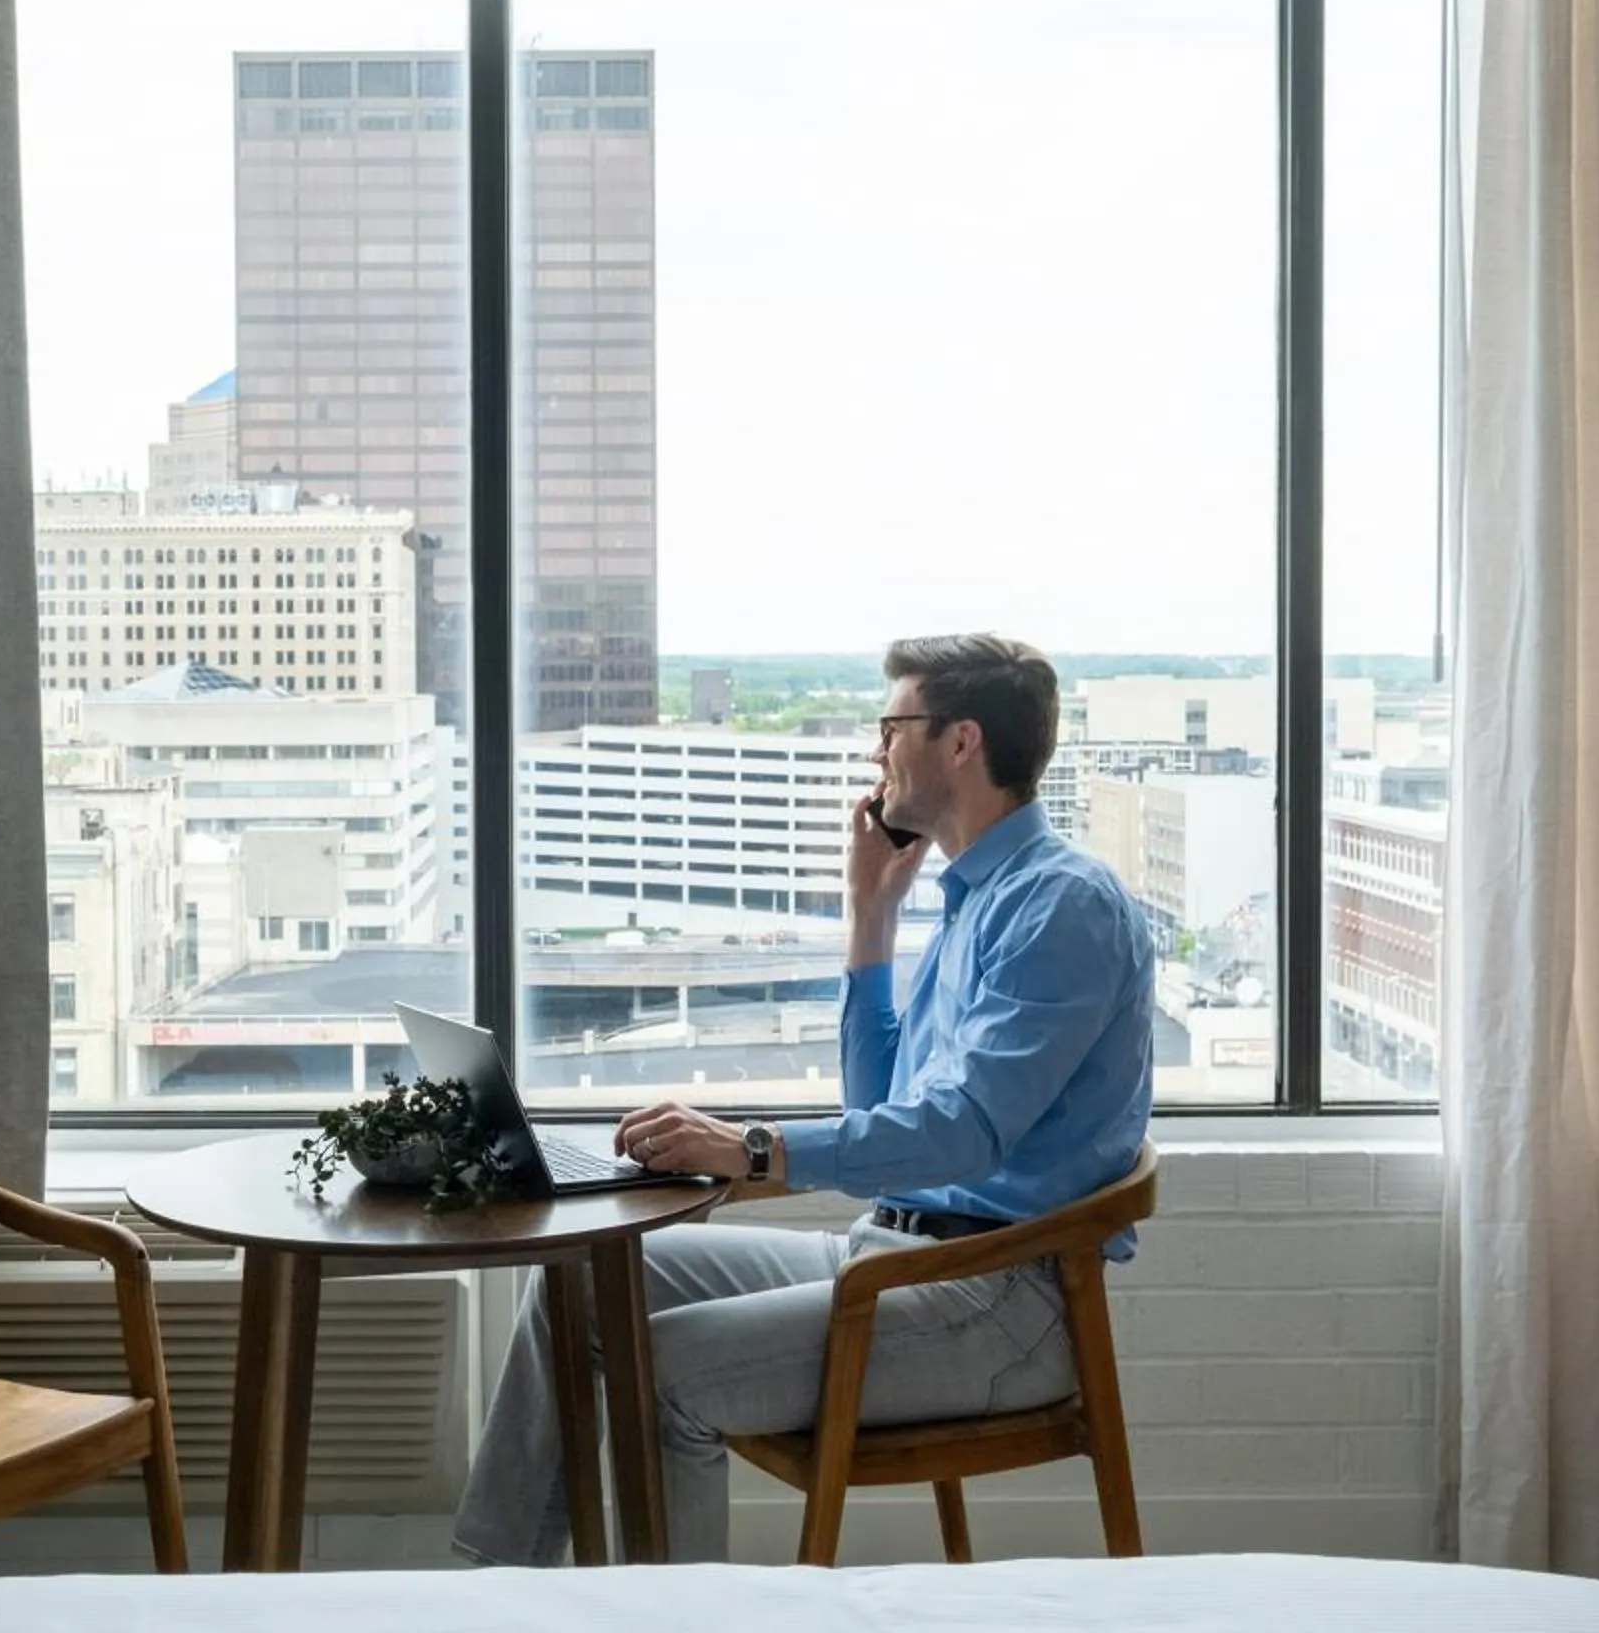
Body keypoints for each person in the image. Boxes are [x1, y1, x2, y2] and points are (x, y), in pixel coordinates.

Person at [451, 633, 1156, 1566]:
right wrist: (871, 916)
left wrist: (747, 1146)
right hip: (894, 1253)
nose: (875, 751)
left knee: (657, 1371)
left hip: (999, 1302)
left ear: (961, 743)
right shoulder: (977, 898)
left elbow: (967, 1135)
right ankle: (489, 1594)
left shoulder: (1064, 905)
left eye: (892, 725)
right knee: (581, 1285)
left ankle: (672, 1625)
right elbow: (886, 1101)